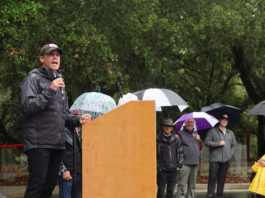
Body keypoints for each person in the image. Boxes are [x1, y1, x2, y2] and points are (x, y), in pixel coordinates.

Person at [20, 43, 91, 198]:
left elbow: (63, 114)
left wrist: (78, 119)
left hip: (57, 144)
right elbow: (27, 107)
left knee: (49, 187)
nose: (55, 57)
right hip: (39, 143)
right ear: (42, 58)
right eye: (50, 54)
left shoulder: (59, 82)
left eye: (57, 55)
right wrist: (50, 90)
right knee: (37, 186)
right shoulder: (32, 79)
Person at [204, 114, 237, 198]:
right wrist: (217, 143)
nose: (224, 121)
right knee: (212, 179)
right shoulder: (213, 131)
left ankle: (219, 195)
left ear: (227, 121)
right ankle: (210, 195)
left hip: (225, 160)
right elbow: (206, 142)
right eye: (223, 119)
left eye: (226, 120)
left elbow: (234, 145)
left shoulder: (230, 133)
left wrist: (230, 154)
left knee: (222, 179)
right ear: (219, 120)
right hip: (214, 160)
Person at [157, 118, 183, 198]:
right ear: (162, 127)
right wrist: (158, 167)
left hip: (173, 170)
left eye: (169, 126)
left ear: (172, 128)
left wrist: (179, 166)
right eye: (165, 126)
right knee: (161, 192)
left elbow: (180, 152)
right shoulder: (157, 139)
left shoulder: (176, 138)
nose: (167, 128)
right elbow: (154, 154)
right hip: (162, 170)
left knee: (170, 192)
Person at [176, 118, 202, 198]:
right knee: (182, 184)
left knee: (192, 184)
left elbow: (200, 147)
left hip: (195, 162)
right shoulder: (180, 134)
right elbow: (177, 148)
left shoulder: (196, 134)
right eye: (188, 122)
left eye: (192, 122)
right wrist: (178, 162)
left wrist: (199, 140)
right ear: (185, 123)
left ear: (194, 123)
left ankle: (191, 196)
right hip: (185, 163)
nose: (190, 123)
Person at [58, 126, 82, 198]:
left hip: (80, 174)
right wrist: (63, 170)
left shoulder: (84, 132)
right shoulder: (61, 131)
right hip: (67, 174)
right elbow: (56, 153)